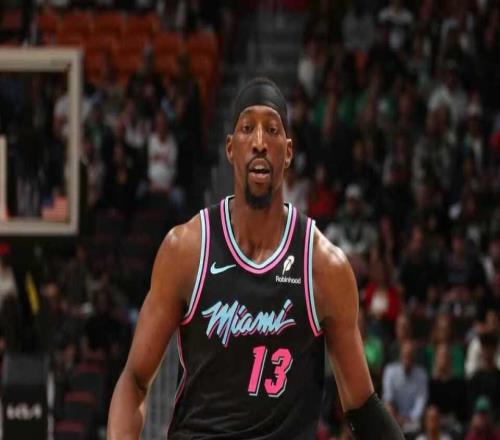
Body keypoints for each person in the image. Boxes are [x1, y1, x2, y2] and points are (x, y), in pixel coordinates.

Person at [107, 78, 404, 439]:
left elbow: (362, 406)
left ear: (288, 152)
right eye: (247, 128)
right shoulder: (186, 250)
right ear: (231, 148)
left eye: (272, 130)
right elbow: (135, 379)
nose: (260, 142)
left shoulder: (324, 267)